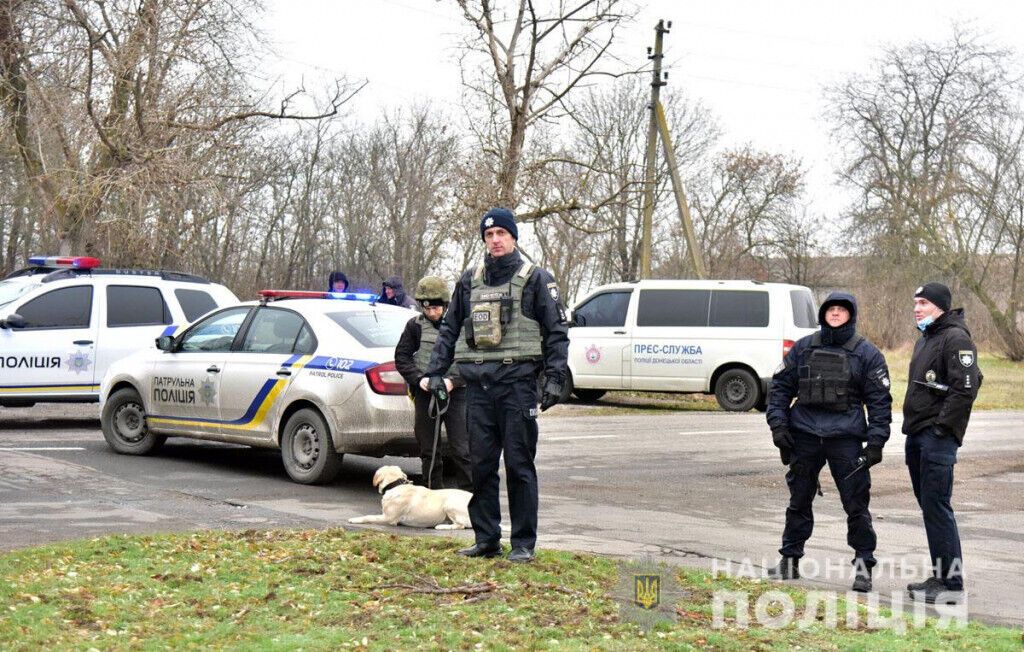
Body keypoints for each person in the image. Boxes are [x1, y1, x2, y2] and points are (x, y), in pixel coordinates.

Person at [420, 207, 569, 563]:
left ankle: (523, 544)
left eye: (501, 233)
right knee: (481, 466)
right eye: (489, 235)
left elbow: (556, 332)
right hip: (479, 389)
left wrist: (554, 378)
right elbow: (450, 330)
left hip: (517, 386)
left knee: (519, 465)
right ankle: (487, 539)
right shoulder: (470, 281)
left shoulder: (535, 279)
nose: (495, 240)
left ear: (513, 237)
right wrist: (435, 372)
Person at [766, 292, 892, 592]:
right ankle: (789, 560)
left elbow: (879, 402)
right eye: (831, 309)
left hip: (845, 438)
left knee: (856, 504)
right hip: (805, 435)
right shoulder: (803, 348)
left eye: (841, 310)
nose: (835, 313)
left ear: (851, 315)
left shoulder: (866, 353)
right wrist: (778, 426)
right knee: (799, 499)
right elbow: (780, 388)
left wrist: (876, 443)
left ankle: (863, 566)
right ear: (823, 313)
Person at [902, 282, 980, 604]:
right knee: (930, 508)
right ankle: (942, 575)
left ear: (940, 306)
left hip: (937, 439)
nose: (917, 308)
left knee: (937, 507)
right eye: (915, 303)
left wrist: (940, 430)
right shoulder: (927, 338)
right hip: (918, 435)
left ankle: (951, 584)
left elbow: (965, 389)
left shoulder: (956, 338)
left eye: (923, 303)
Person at [394, 275, 472, 491]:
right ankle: (431, 494)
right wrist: (419, 380)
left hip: (456, 393)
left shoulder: (463, 326)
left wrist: (453, 381)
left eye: (435, 308)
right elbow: (402, 357)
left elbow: (472, 360)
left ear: (445, 305)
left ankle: (470, 497)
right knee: (429, 450)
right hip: (426, 393)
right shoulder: (415, 326)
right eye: (427, 308)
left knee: (462, 450)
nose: (431, 313)